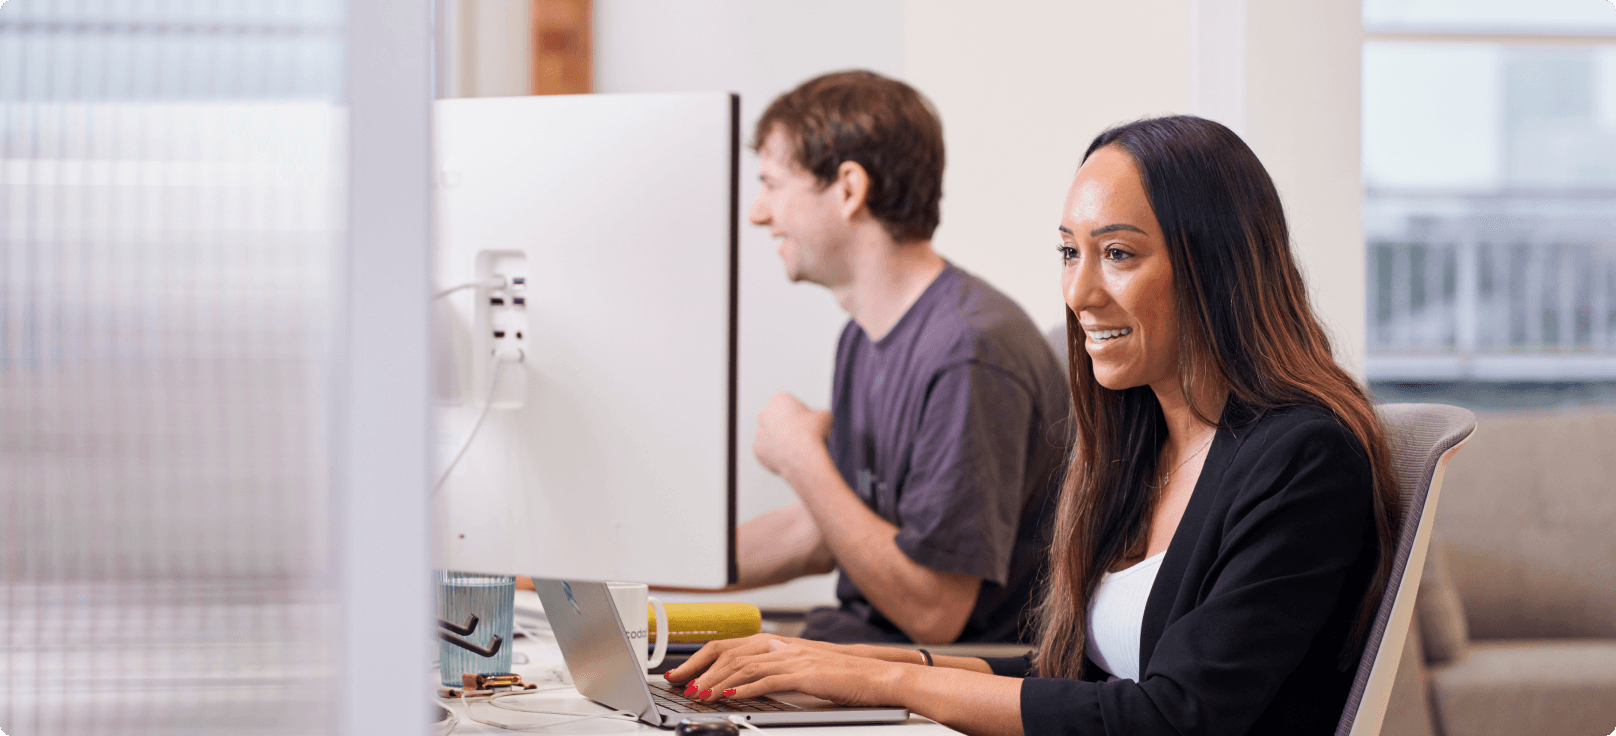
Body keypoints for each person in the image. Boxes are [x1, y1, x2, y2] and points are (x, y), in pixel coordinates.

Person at [663, 115, 1404, 736]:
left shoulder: (1304, 456)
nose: (1079, 292)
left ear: (1216, 266)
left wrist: (889, 683)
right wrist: (863, 671)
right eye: (1069, 252)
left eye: (1117, 254)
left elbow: (1175, 716)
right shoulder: (1141, 440)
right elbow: (1067, 679)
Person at [734, 70, 1071, 645]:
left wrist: (800, 459)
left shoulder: (970, 353)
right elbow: (830, 530)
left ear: (848, 189)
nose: (759, 213)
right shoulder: (865, 337)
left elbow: (934, 613)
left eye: (772, 184)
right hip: (859, 653)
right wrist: (619, 572)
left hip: (938, 679)